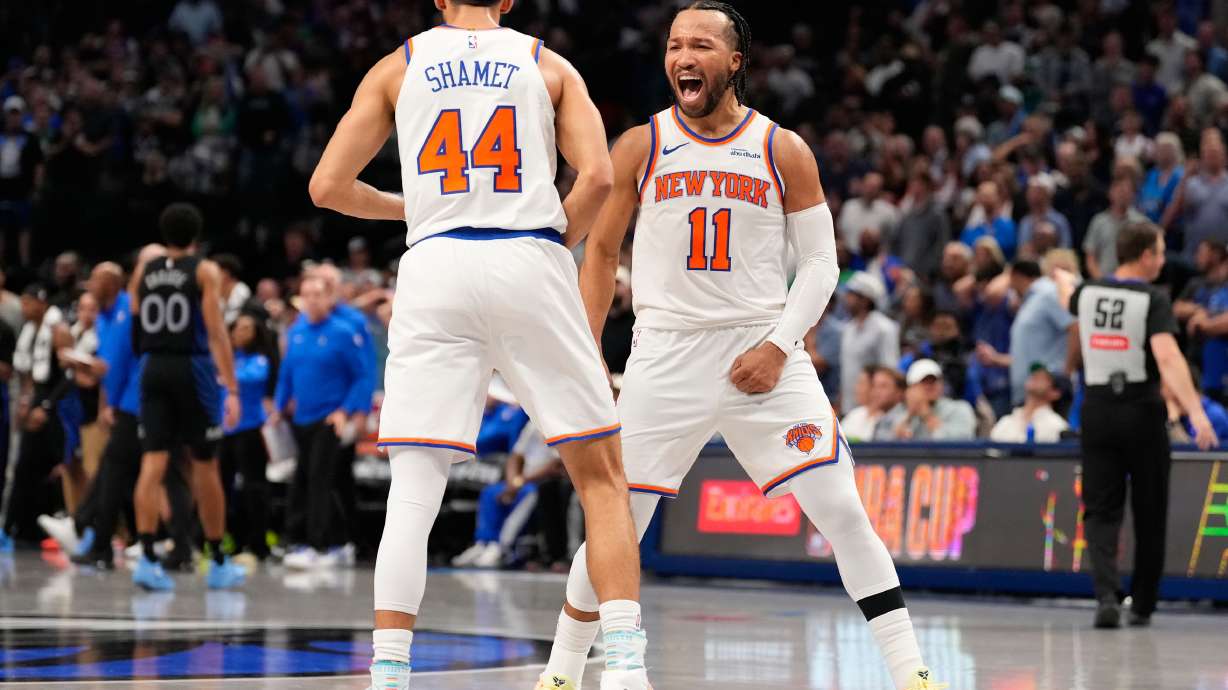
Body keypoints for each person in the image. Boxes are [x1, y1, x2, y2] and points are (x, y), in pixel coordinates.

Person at [538, 5, 943, 690]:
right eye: (673, 45)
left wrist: (781, 346)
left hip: (763, 354)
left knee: (842, 509)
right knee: (617, 522)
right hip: (665, 354)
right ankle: (561, 672)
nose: (682, 56)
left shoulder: (782, 148)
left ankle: (912, 671)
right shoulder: (642, 144)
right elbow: (601, 249)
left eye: (700, 44)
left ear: (734, 62)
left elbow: (821, 265)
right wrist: (583, 352)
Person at [305, 0, 651, 687]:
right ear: (510, 0)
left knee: (414, 487)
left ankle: (389, 672)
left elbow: (327, 186)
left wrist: (412, 206)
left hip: (434, 265)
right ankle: (625, 670)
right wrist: (555, 241)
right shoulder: (545, 63)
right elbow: (602, 177)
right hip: (526, 254)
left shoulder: (395, 65)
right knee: (603, 478)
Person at [1068, 221, 1219, 629]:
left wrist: (1060, 275)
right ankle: (1143, 603)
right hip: (1140, 407)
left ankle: (1105, 596)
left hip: (1096, 407)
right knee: (1150, 506)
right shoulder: (1152, 299)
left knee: (1100, 509)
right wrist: (1196, 412)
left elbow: (1068, 290)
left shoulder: (1087, 292)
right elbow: (1168, 357)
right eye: (1161, 249)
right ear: (1146, 255)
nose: (1164, 257)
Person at [129, 203, 246, 591]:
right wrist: (230, 387)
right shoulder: (203, 269)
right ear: (196, 235)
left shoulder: (143, 271)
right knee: (205, 463)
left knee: (153, 463)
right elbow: (215, 332)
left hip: (153, 365)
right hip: (191, 369)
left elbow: (135, 317)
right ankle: (217, 560)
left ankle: (146, 559)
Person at [274, 276, 368, 569]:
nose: (311, 300)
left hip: (329, 419)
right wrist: (278, 407)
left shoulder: (343, 332)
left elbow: (362, 376)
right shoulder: (296, 331)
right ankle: (326, 541)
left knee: (319, 480)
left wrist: (348, 410)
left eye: (317, 294)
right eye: (306, 294)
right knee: (303, 479)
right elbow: (287, 371)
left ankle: (319, 545)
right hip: (301, 418)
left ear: (330, 299)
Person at [4, 284, 71, 544]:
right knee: (25, 466)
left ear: (41, 303)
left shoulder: (58, 330)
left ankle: (63, 520)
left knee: (59, 465)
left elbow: (68, 375)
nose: (24, 309)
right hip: (36, 400)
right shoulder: (29, 331)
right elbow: (29, 374)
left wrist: (45, 407)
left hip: (57, 404)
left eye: (28, 303)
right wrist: (25, 402)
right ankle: (20, 528)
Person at [219, 312, 274, 560]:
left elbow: (252, 378)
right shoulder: (228, 359)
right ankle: (228, 539)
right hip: (225, 431)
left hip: (250, 430)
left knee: (254, 487)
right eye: (237, 328)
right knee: (222, 486)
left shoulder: (259, 360)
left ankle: (259, 543)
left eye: (247, 328)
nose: (240, 332)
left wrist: (225, 377)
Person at [839, 272, 901, 412]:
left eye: (851, 295)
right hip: (849, 408)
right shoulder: (848, 328)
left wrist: (879, 406)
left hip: (875, 409)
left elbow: (889, 370)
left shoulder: (885, 329)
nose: (846, 299)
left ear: (865, 300)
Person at [884, 359, 976, 440]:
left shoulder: (959, 409)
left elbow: (960, 442)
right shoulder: (896, 411)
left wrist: (926, 413)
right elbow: (883, 444)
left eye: (933, 381)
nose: (930, 386)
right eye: (924, 382)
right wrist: (909, 415)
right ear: (911, 388)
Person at [1084, 177, 1148, 279]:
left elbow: (1147, 256)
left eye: (1127, 191)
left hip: (1133, 282)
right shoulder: (1098, 221)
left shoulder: (1142, 223)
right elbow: (1090, 257)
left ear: (1133, 195)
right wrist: (1100, 280)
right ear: (1110, 193)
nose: (1122, 195)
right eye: (1119, 191)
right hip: (1103, 279)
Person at [989, 365, 1070, 443]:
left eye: (1045, 378)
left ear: (1055, 393)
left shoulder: (1057, 426)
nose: (1035, 376)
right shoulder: (1005, 422)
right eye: (1035, 374)